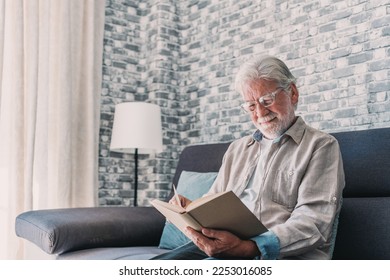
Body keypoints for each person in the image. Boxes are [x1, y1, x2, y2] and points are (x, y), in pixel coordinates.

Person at [151, 55, 345, 260]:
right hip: (226, 248)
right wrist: (190, 209)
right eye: (251, 106)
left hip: (276, 255)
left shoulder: (321, 146)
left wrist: (250, 247)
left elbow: (314, 223)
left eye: (267, 100)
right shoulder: (237, 149)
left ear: (293, 93)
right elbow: (214, 200)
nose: (260, 112)